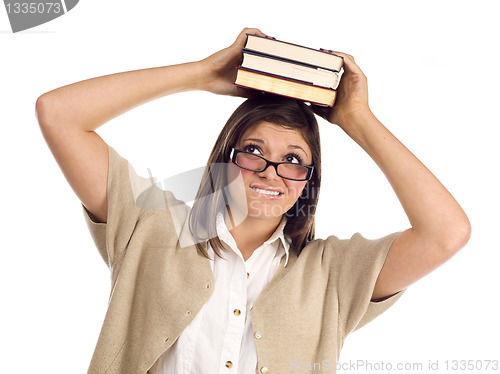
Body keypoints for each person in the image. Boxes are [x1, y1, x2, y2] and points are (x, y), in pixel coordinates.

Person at [36, 28, 471, 374]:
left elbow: (447, 233)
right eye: (255, 151)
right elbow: (58, 113)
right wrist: (201, 75)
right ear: (226, 157)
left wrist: (357, 119)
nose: (271, 172)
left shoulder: (334, 276)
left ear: (308, 181)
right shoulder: (149, 227)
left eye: (294, 160)